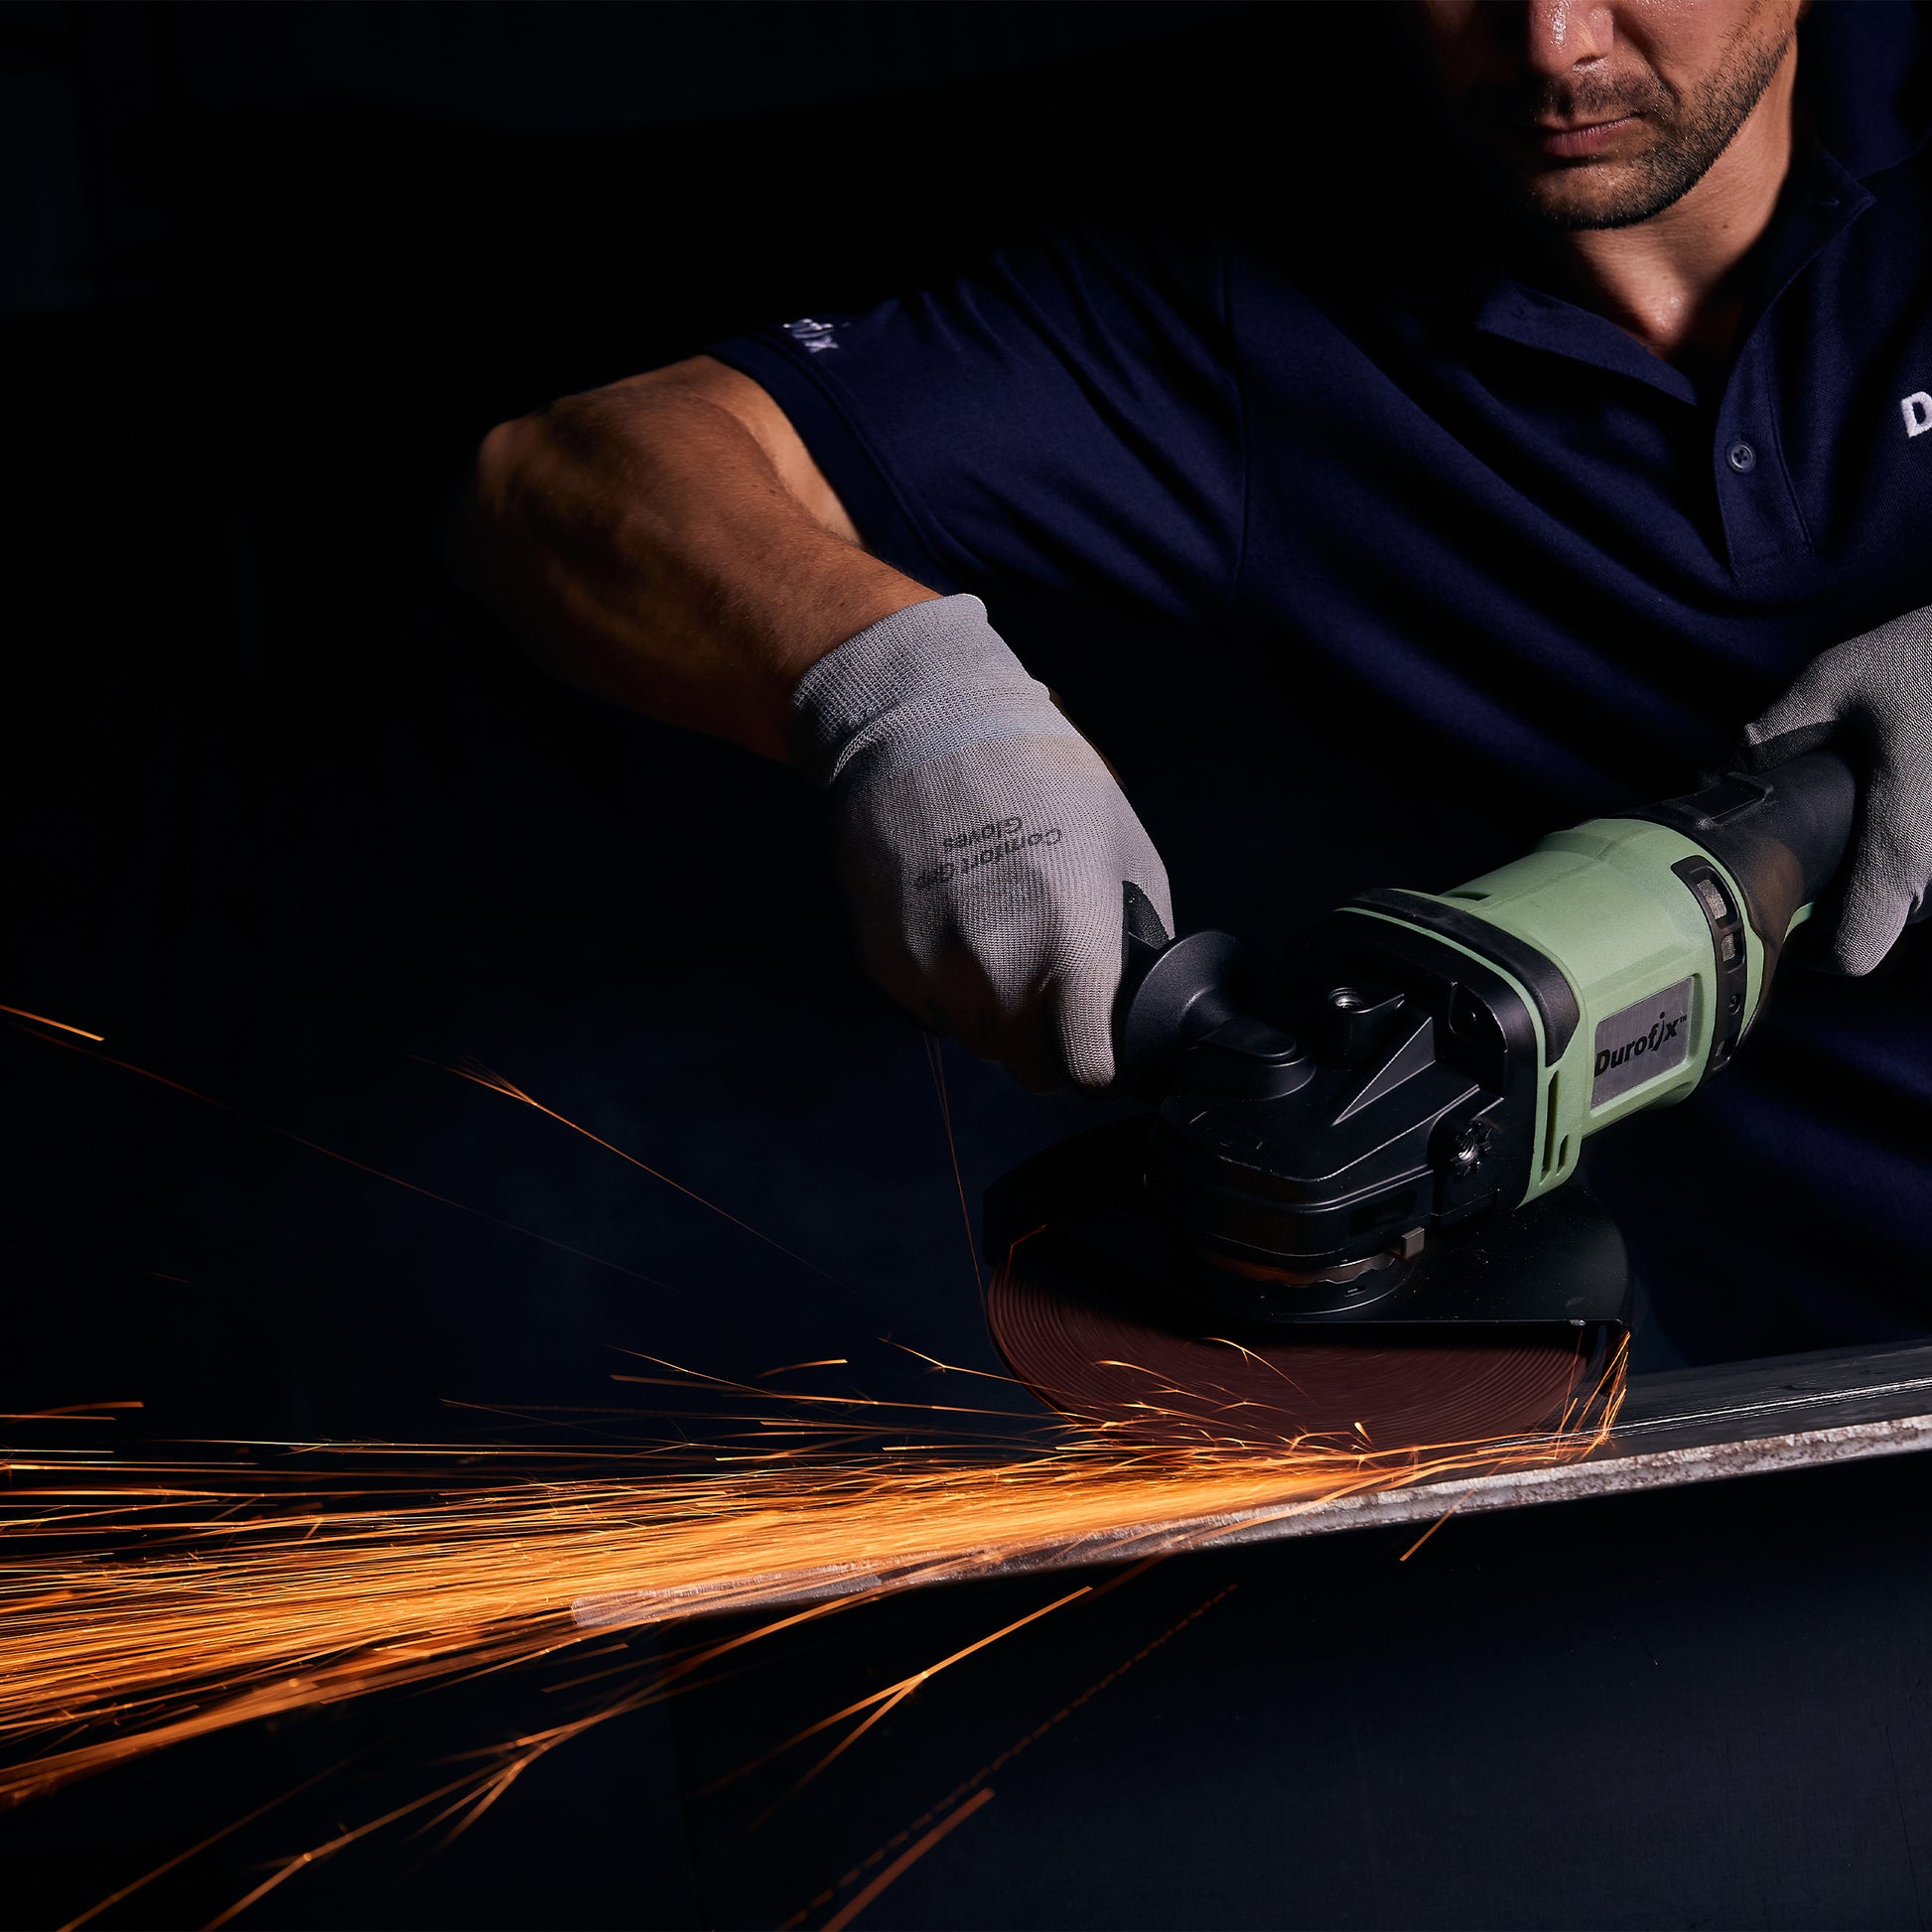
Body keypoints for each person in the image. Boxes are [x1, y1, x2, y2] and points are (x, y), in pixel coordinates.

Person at [456, 0, 1931, 1355]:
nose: (1548, 43)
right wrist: (899, 698)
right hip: (1830, 1397)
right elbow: (571, 472)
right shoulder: (1242, 302)